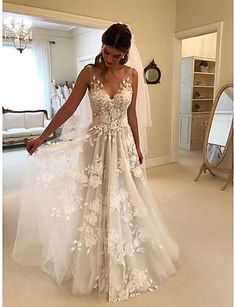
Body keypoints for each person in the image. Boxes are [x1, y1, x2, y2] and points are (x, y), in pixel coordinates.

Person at [12, 23, 180, 302]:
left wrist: (137, 146)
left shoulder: (133, 75)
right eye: (105, 51)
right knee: (94, 199)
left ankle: (126, 251)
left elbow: (132, 115)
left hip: (123, 145)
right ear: (101, 46)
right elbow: (68, 108)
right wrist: (43, 136)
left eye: (116, 55)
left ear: (125, 54)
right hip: (95, 146)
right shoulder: (88, 73)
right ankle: (93, 257)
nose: (109, 58)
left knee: (125, 198)